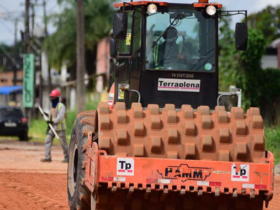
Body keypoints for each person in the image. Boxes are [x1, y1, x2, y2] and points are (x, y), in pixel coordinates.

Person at [41, 89, 69, 163]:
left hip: (60, 128)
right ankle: (47, 157)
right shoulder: (52, 106)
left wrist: (54, 120)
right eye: (51, 97)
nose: (52, 99)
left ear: (57, 97)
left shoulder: (61, 106)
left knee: (63, 144)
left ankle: (67, 158)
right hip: (52, 127)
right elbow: (51, 116)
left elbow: (61, 117)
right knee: (48, 140)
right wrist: (46, 116)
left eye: (53, 97)